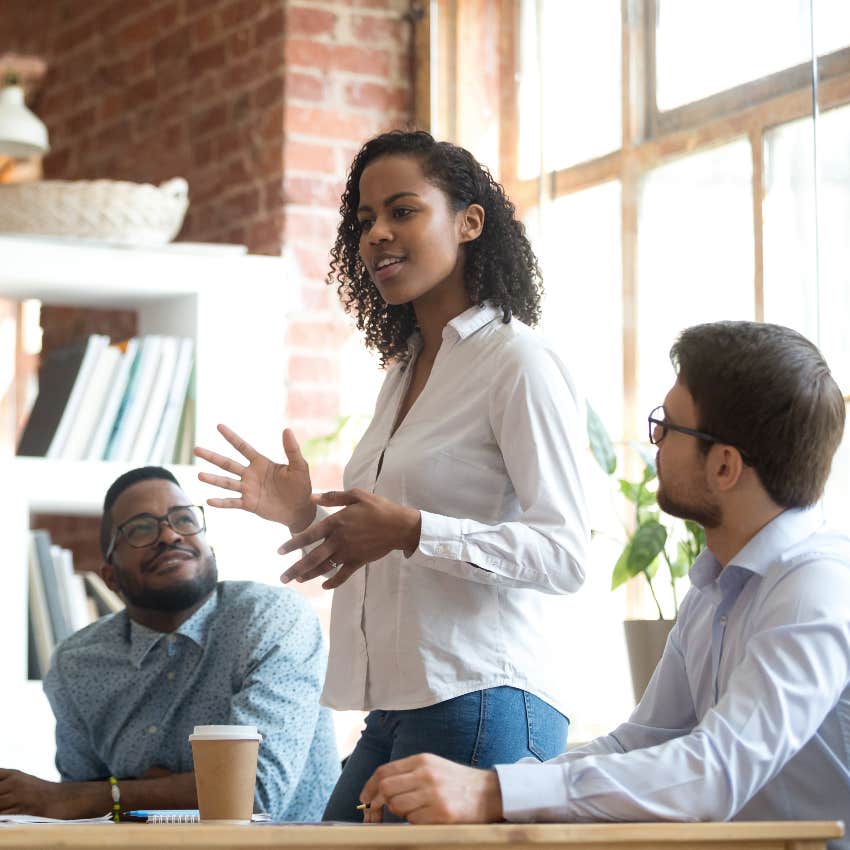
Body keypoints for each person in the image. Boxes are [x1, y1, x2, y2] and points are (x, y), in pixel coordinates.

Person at [194, 129, 590, 821]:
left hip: (486, 698)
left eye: (402, 211)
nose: (377, 234)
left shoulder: (516, 363)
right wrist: (300, 516)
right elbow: (391, 540)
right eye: (365, 220)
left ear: (470, 222)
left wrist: (410, 530)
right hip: (399, 708)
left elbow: (564, 554)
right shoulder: (405, 372)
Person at [356, 320, 850, 835]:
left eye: (668, 427)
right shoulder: (717, 587)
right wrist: (493, 786)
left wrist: (492, 792)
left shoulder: (816, 586)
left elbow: (714, 771)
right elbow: (639, 742)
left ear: (724, 466)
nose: (652, 441)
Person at [0, 466, 339, 821]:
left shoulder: (272, 619)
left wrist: (112, 794)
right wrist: (124, 797)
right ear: (110, 576)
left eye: (184, 519)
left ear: (211, 549)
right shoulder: (77, 665)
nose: (169, 535)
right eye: (140, 529)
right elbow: (80, 812)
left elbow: (251, 795)